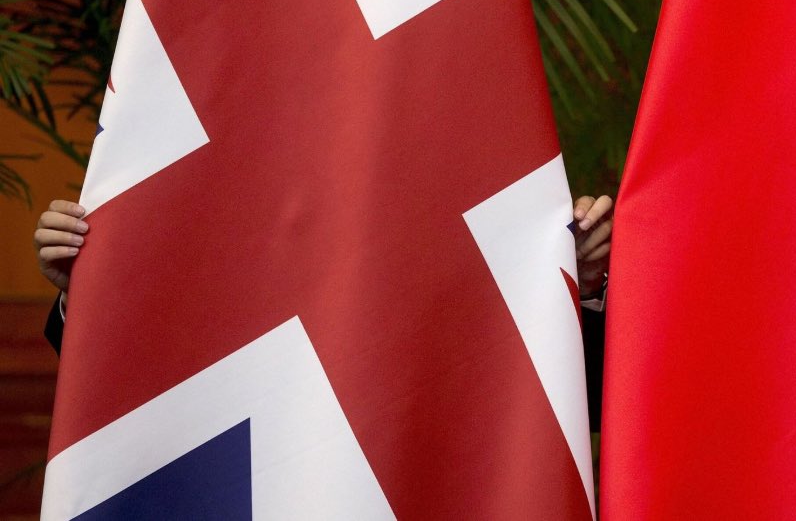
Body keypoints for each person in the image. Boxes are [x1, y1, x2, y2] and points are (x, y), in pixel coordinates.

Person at [34, 195, 614, 427]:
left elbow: (568, 403)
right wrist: (88, 298)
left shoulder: (476, 173)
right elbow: (150, 398)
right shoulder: (222, 185)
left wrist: (577, 287)